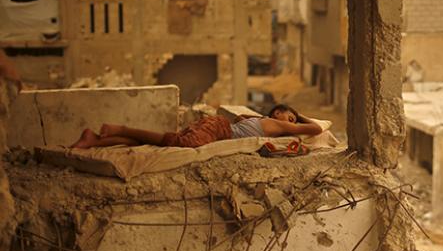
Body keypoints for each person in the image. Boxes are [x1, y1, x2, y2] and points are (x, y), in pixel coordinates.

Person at [70, 104, 322, 149]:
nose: (292, 122)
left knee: (159, 144)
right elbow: (317, 130)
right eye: (289, 117)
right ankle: (120, 129)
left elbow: (242, 118)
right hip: (218, 129)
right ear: (277, 113)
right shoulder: (277, 124)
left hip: (216, 127)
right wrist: (300, 115)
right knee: (182, 143)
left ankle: (96, 140)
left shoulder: (261, 121)